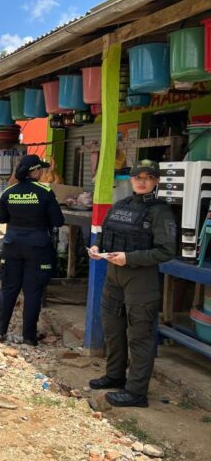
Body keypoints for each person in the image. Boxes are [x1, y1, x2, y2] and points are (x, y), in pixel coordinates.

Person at [87, 159, 176, 408]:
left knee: (139, 335)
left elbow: (166, 251)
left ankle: (136, 392)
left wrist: (130, 258)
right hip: (114, 275)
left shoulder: (160, 212)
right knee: (113, 329)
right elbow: (104, 234)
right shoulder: (120, 205)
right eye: (138, 177)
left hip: (141, 278)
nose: (142, 182)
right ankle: (115, 375)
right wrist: (97, 248)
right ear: (131, 179)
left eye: (148, 178)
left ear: (156, 181)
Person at [0, 154, 65, 346]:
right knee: (33, 291)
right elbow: (58, 221)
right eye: (41, 169)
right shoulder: (45, 191)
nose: (42, 172)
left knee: (8, 288)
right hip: (37, 247)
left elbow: (2, 219)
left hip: (12, 245)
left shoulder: (9, 192)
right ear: (35, 171)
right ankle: (29, 337)